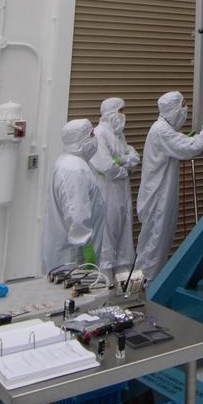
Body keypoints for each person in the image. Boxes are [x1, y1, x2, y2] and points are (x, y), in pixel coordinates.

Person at [135, 91, 203, 282]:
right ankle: (147, 287)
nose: (185, 110)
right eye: (183, 105)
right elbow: (192, 147)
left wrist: (182, 139)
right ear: (173, 109)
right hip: (158, 199)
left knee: (157, 242)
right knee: (154, 245)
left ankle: (150, 284)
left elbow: (181, 145)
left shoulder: (162, 129)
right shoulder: (161, 131)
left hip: (159, 196)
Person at [41, 119, 105, 274]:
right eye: (91, 135)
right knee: (72, 287)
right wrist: (86, 246)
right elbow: (76, 213)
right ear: (81, 140)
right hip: (73, 256)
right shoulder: (74, 169)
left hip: (69, 250)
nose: (95, 139)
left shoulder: (70, 162)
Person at [91, 97, 140, 284]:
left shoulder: (118, 134)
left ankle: (122, 281)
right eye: (120, 110)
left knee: (122, 232)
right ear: (110, 112)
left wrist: (123, 161)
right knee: (107, 233)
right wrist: (124, 168)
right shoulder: (99, 134)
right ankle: (105, 280)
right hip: (107, 192)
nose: (123, 115)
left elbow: (134, 156)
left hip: (121, 191)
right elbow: (107, 166)